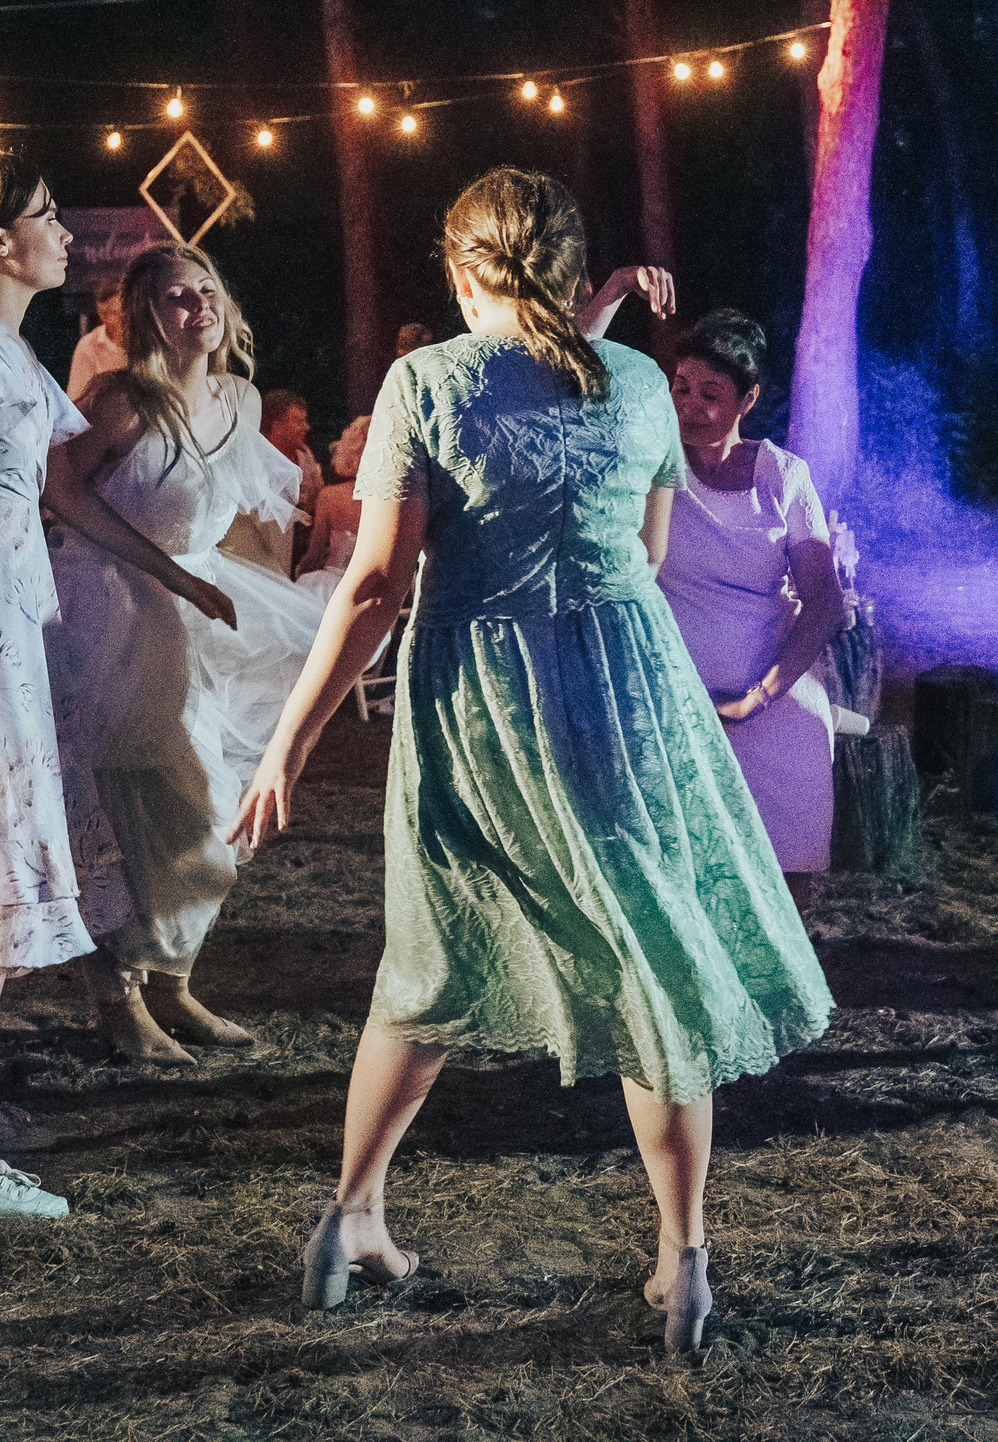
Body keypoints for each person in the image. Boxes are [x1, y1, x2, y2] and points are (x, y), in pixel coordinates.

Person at [233, 167, 827, 1353]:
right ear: (566, 271)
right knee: (655, 956)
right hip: (627, 695)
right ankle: (683, 1259)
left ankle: (350, 1214)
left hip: (481, 699)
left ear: (460, 273)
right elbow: (646, 555)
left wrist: (286, 740)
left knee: (435, 949)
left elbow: (373, 590)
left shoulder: (427, 382)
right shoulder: (645, 383)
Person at [0, 149, 232, 1226]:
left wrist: (169, 577)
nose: (66, 234)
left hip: (3, 630)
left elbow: (47, 505)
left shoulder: (8, 352)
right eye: (44, 216)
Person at [45, 243, 333, 1062]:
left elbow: (245, 512)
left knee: (213, 807)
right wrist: (167, 571)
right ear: (147, 316)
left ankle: (172, 981)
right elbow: (60, 493)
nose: (198, 306)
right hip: (109, 607)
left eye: (207, 289)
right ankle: (118, 995)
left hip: (195, 609)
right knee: (125, 805)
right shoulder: (121, 399)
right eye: (177, 297)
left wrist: (257, 599)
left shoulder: (241, 399)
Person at [657, 310, 845, 912]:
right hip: (672, 684)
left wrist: (758, 697)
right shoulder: (653, 469)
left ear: (749, 398)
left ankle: (784, 969)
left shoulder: (784, 476)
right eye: (680, 387)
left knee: (783, 864)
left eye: (711, 393)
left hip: (767, 686)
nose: (690, 406)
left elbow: (824, 602)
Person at [225, 388, 321, 577]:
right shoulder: (252, 455)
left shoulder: (305, 457)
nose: (306, 427)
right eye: (298, 421)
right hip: (258, 550)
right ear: (277, 425)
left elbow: (317, 501)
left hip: (298, 547)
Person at [296, 415, 370, 579]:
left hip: (329, 585)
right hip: (369, 592)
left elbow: (314, 557)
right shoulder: (389, 502)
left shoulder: (330, 496)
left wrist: (298, 574)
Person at [66, 278, 128, 402]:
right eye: (115, 313)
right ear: (103, 316)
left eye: (127, 312)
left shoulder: (147, 339)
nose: (124, 320)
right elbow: (76, 401)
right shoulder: (88, 346)